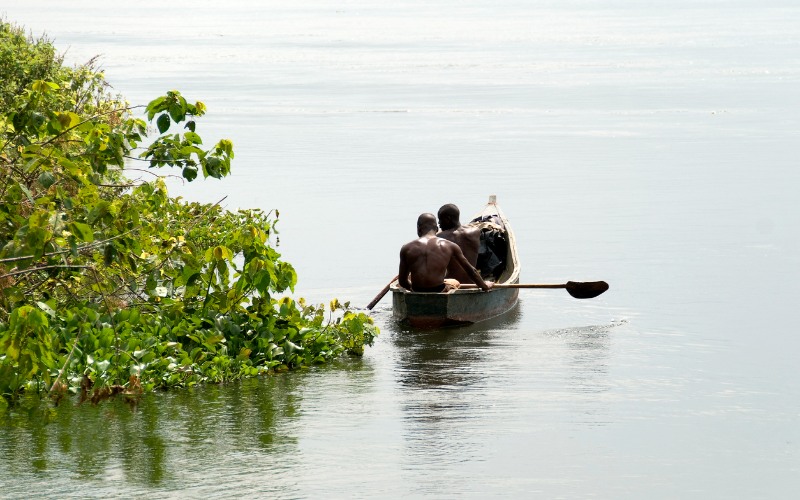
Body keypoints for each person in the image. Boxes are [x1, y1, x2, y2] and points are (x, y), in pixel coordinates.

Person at [398, 213, 492, 293]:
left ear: (418, 229)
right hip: (439, 290)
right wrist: (484, 286)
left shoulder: (406, 248)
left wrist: (412, 289)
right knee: (453, 282)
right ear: (436, 229)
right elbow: (471, 271)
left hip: (417, 290)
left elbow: (402, 281)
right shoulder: (450, 245)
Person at [436, 203, 482, 283]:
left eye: (440, 219)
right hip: (472, 282)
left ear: (448, 219)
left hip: (452, 284)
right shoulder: (475, 232)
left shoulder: (440, 237)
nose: (439, 223)